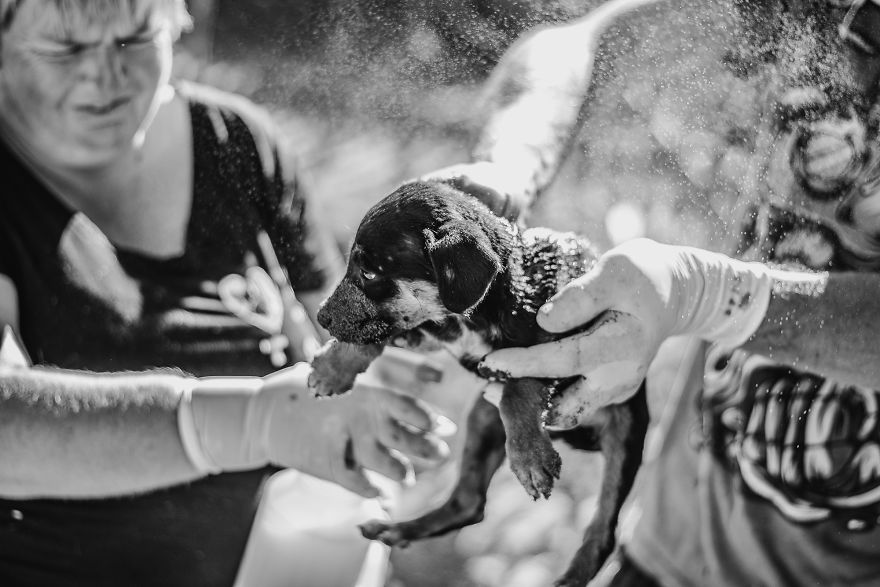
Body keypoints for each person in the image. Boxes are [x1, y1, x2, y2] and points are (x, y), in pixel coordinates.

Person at [428, 0, 880, 585]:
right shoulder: (807, 11)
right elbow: (585, 42)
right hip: (667, 545)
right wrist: (511, 168)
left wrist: (704, 294)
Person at [0, 1, 450, 585]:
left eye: (135, 36)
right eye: (64, 48)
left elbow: (345, 336)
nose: (106, 75)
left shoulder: (237, 143)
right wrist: (251, 422)